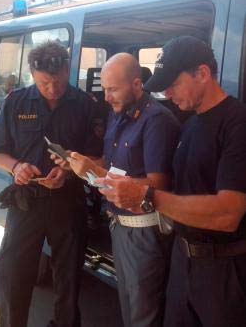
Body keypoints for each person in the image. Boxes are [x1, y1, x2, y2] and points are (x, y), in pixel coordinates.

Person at [96, 36, 246, 327]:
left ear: (202, 73)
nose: (167, 92)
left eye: (173, 84)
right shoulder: (189, 125)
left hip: (225, 269)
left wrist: (147, 196)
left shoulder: (237, 124)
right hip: (183, 259)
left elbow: (228, 213)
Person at [0, 40, 103, 327]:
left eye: (59, 83)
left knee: (69, 277)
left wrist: (70, 170)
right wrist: (16, 167)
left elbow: (98, 157)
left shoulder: (85, 105)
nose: (52, 89)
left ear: (67, 71)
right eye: (44, 83)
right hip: (26, 202)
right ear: (32, 74)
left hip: (68, 202)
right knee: (13, 272)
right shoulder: (16, 101)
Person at [61, 53, 180, 327]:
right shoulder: (117, 114)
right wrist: (79, 163)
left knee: (144, 311)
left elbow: (157, 187)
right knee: (128, 303)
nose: (106, 97)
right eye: (104, 89)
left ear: (137, 84)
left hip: (144, 228)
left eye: (112, 89)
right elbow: (113, 167)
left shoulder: (157, 120)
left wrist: (95, 172)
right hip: (118, 224)